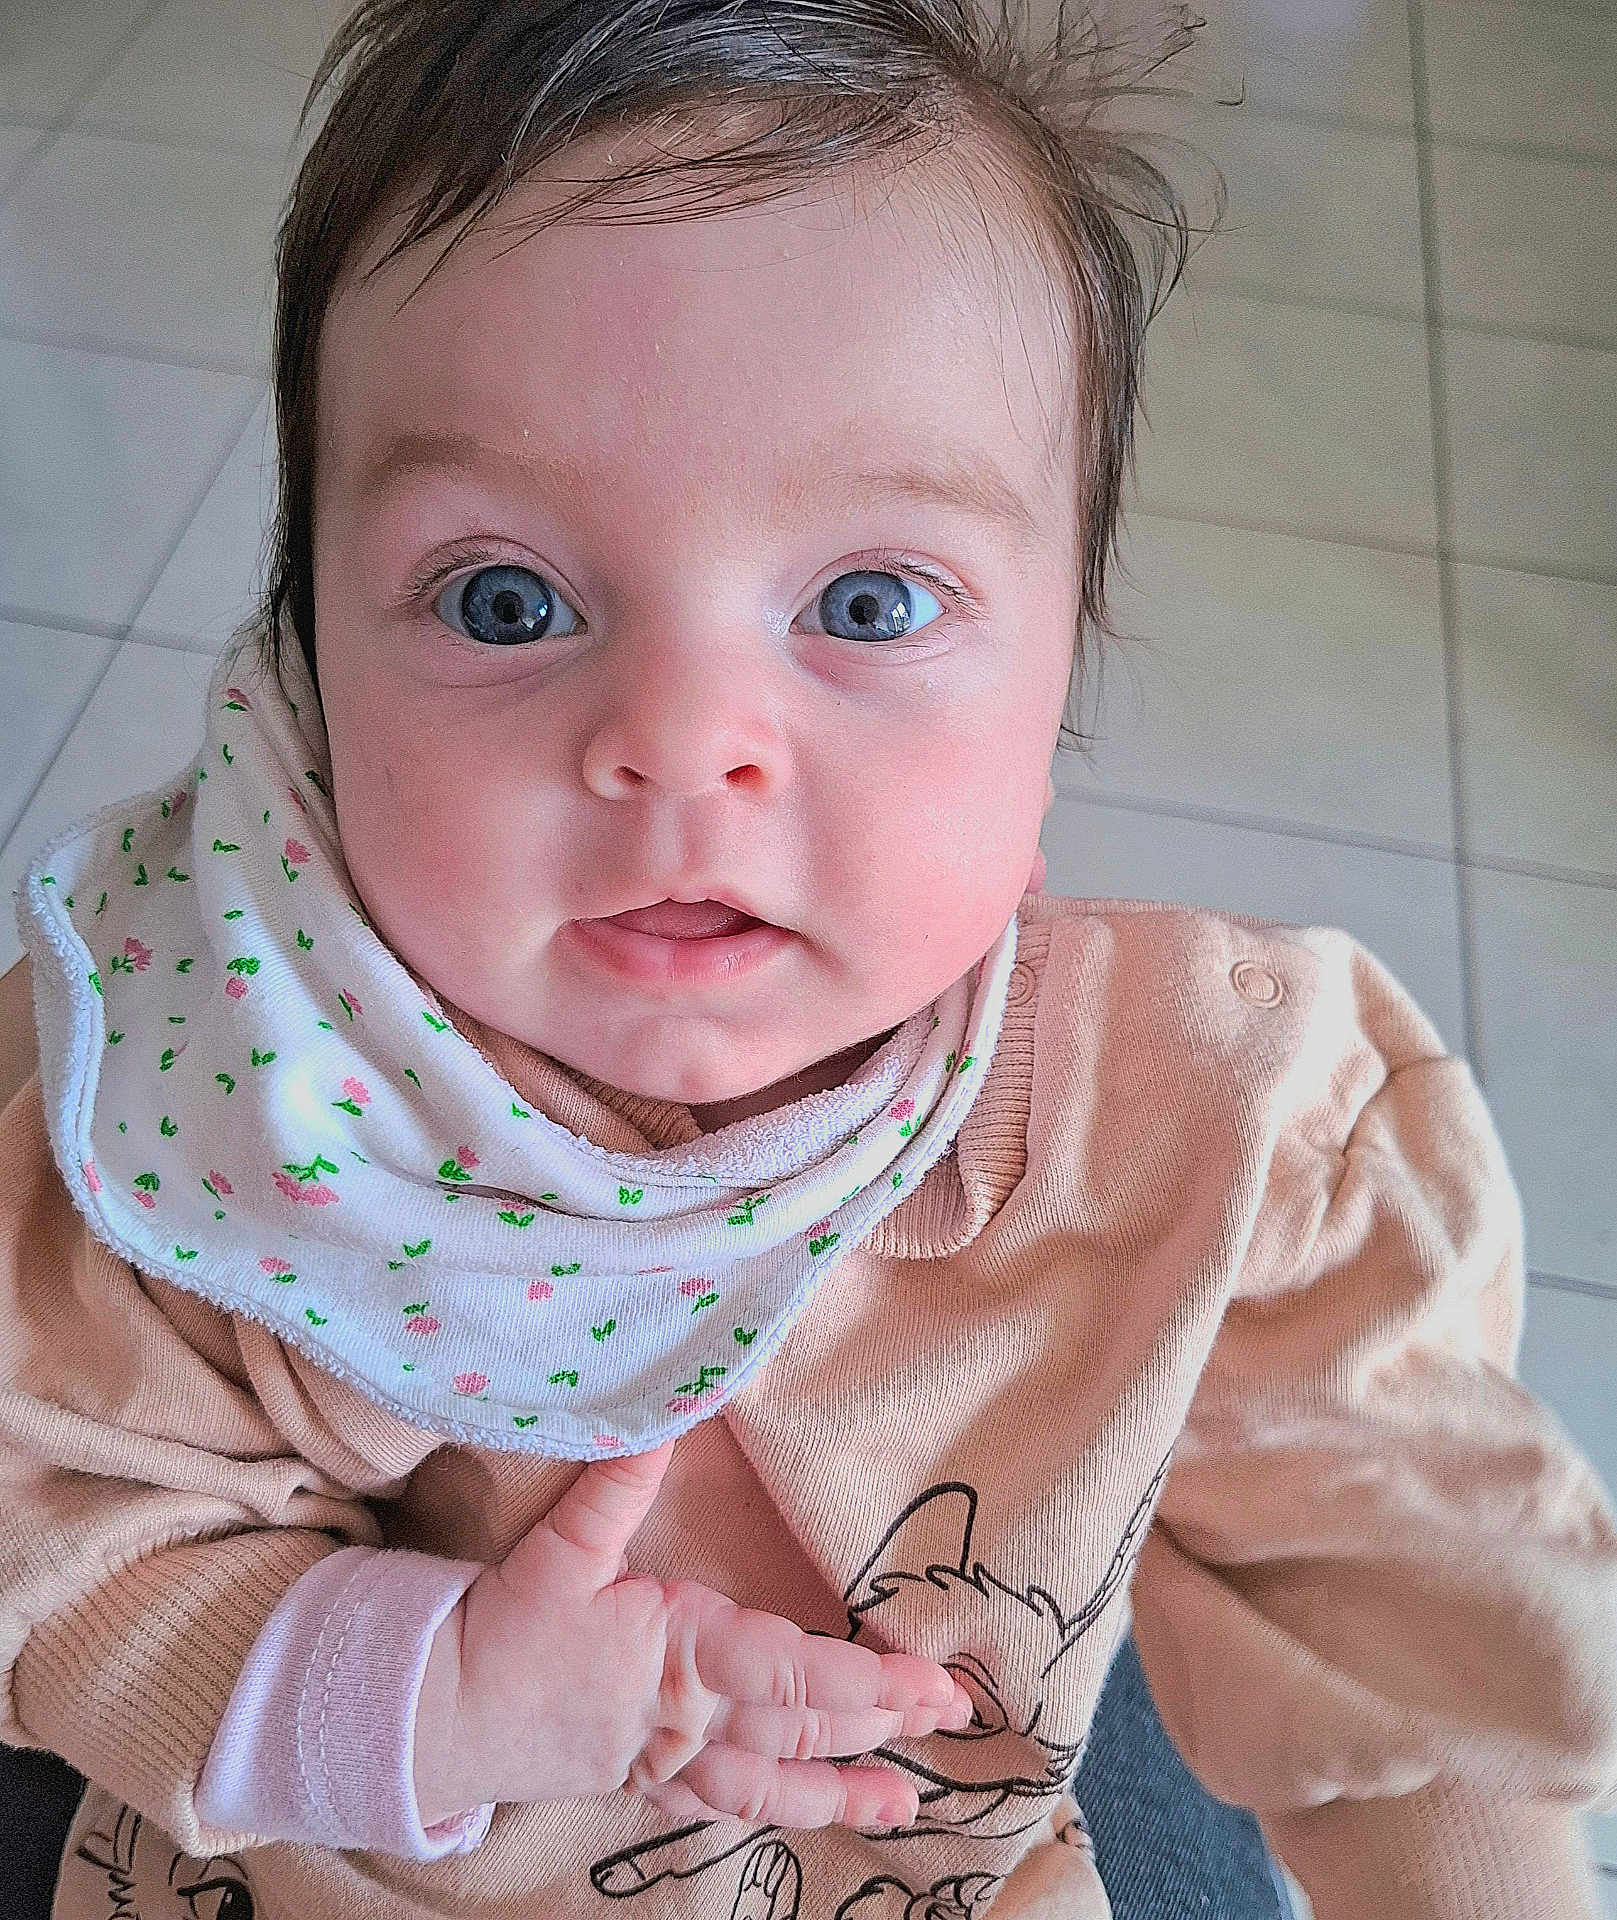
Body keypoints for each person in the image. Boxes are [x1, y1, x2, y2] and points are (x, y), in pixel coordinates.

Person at [1, 3, 1614, 1917]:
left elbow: (1411, 1665)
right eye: (505, 601)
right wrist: (433, 1697)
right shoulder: (209, 1089)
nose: (684, 743)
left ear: (1059, 672)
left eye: (865, 600)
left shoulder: (1215, 1129)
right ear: (306, 671)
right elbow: (58, 1542)